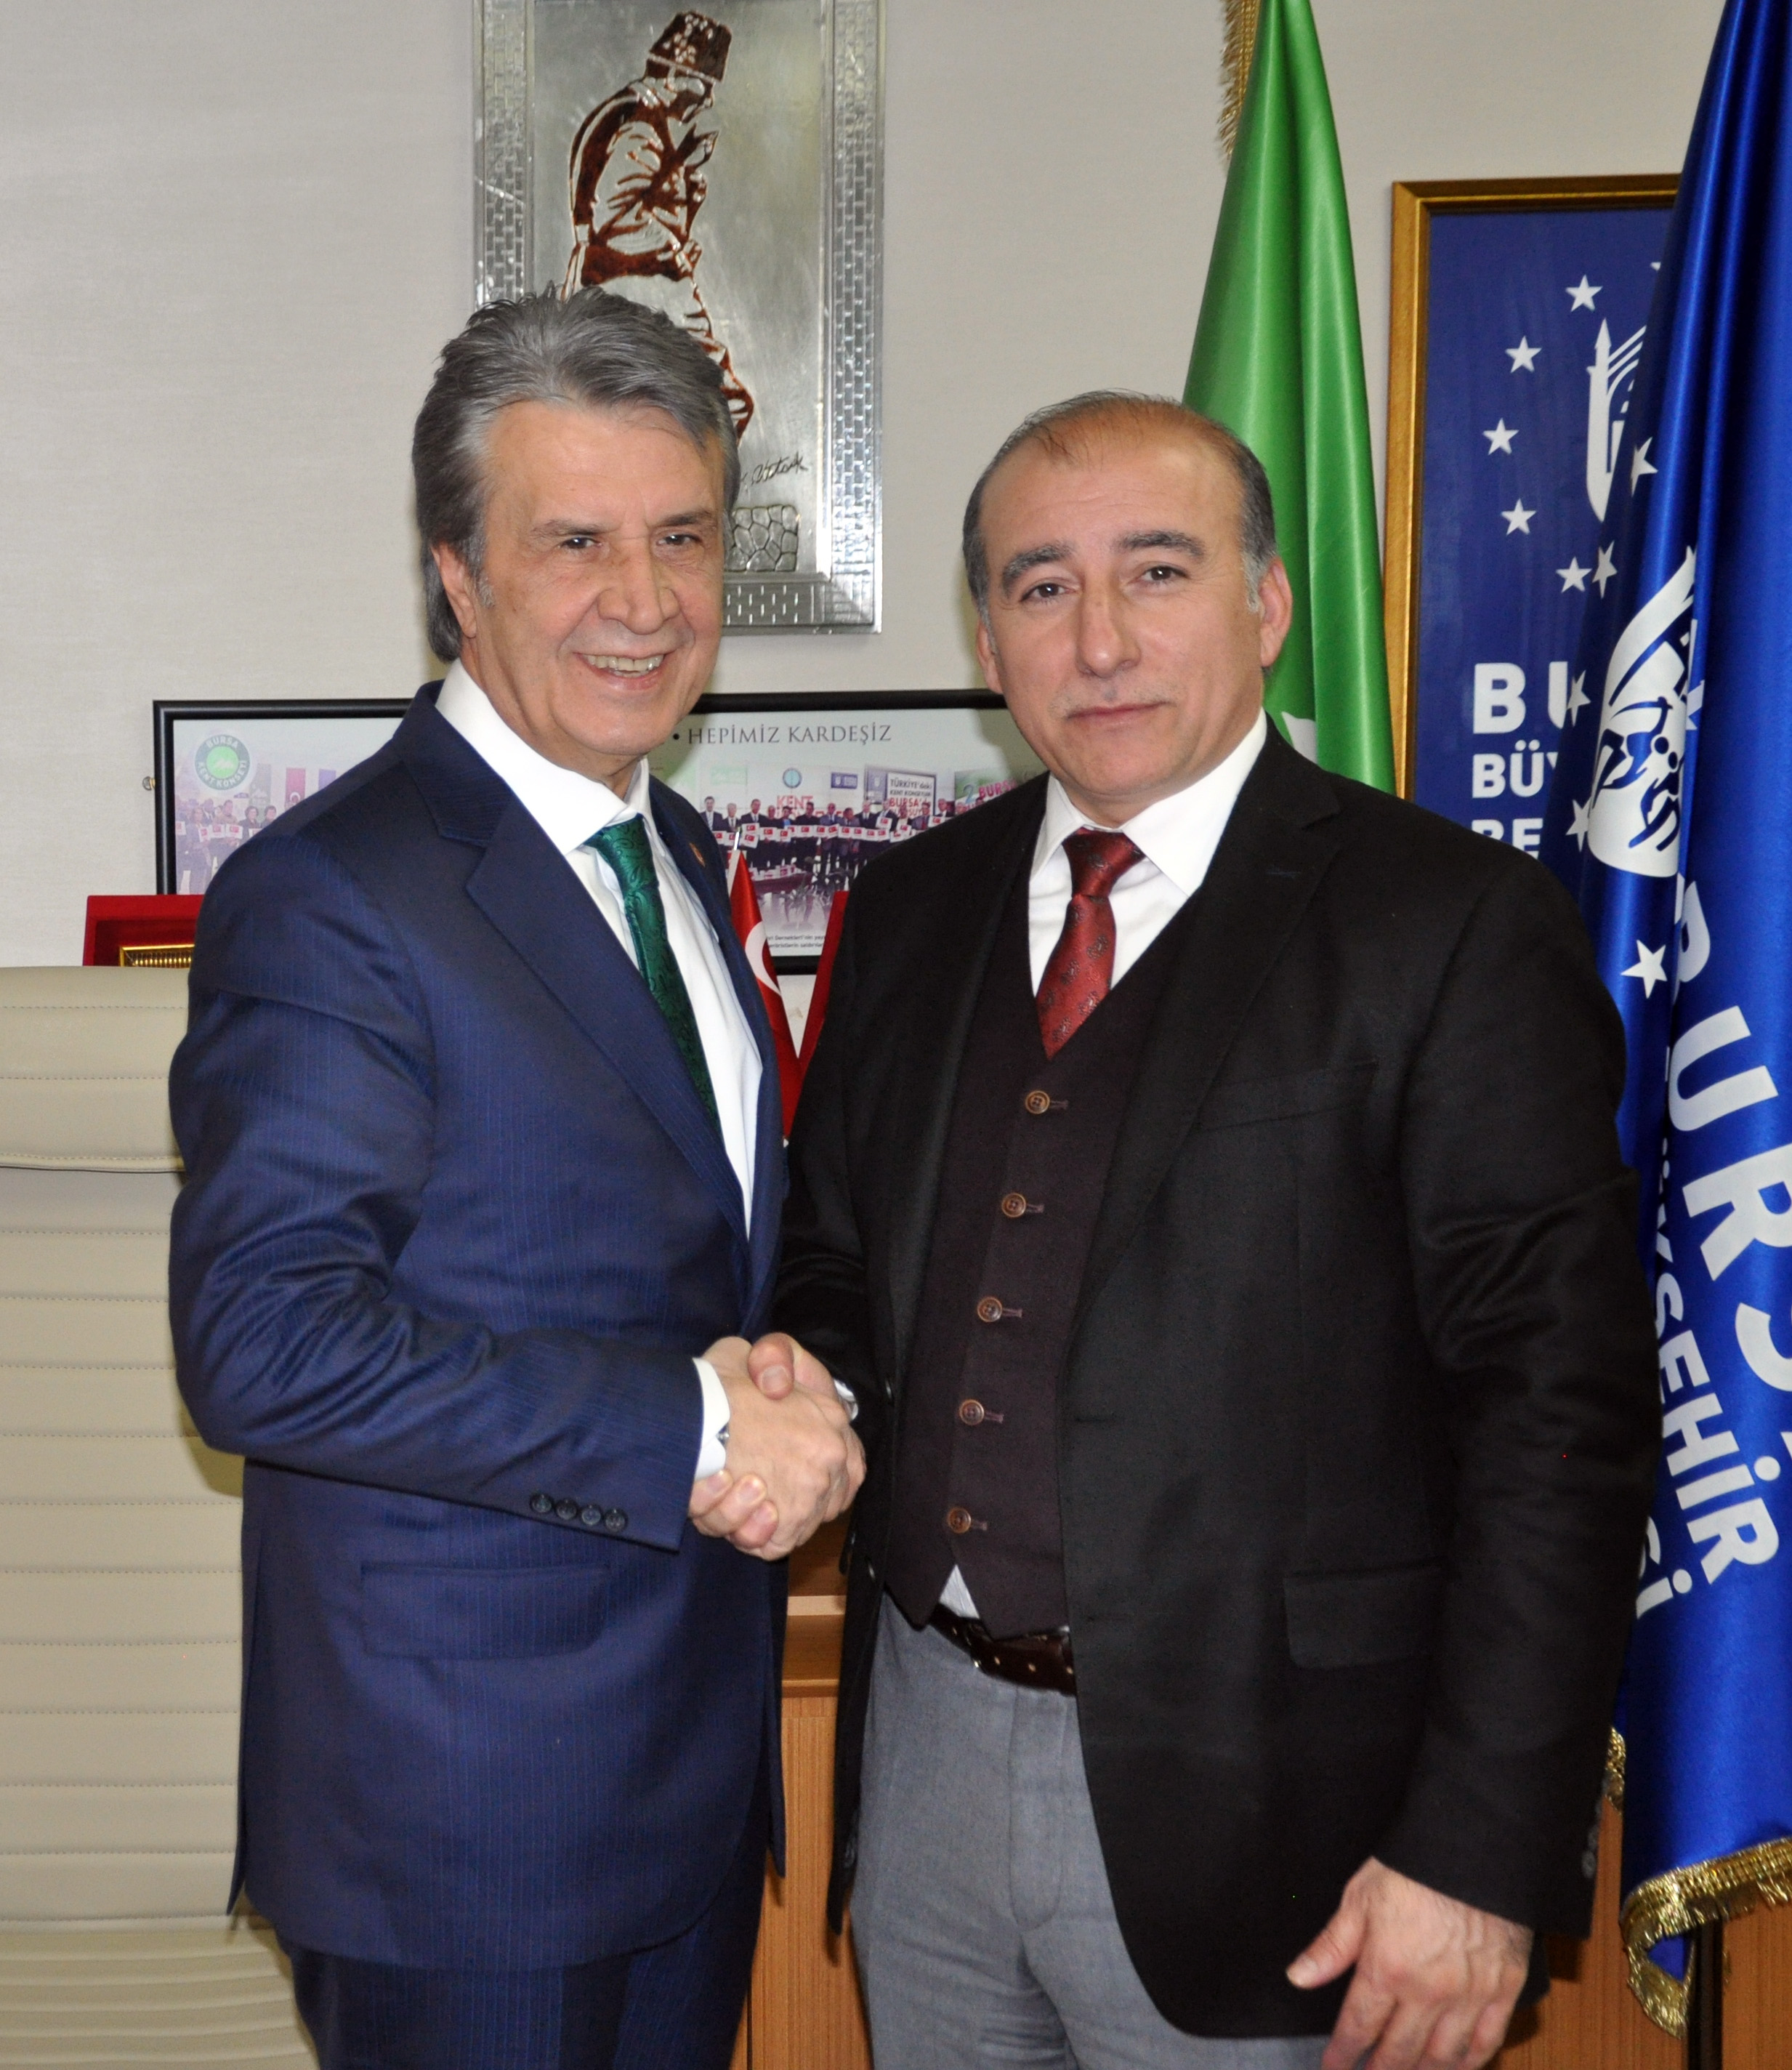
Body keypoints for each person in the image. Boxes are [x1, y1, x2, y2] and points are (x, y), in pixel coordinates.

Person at [775, 393, 1660, 2070]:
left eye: (1158, 570)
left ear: (1266, 604)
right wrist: (794, 1391)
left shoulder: (1451, 924)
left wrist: (1478, 1848)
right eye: (1042, 585)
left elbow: (1561, 1415)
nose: (1100, 638)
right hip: (923, 1765)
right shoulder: (907, 909)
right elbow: (834, 1261)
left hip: (1293, 1824)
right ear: (987, 640)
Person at [169, 289, 862, 2070]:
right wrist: (694, 1424)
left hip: (684, 1782)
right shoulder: (335, 891)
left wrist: (798, 1382)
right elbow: (262, 1341)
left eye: (683, 537)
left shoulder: (674, 847)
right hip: (462, 1821)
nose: (645, 598)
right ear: (458, 576)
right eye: (574, 542)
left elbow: (699, 1258)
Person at [563, 10, 754, 438]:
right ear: (673, 75)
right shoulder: (641, 125)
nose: (707, 101)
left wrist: (681, 168)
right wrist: (673, 251)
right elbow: (615, 221)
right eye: (703, 86)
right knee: (722, 407)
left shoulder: (635, 117)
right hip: (640, 287)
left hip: (633, 288)